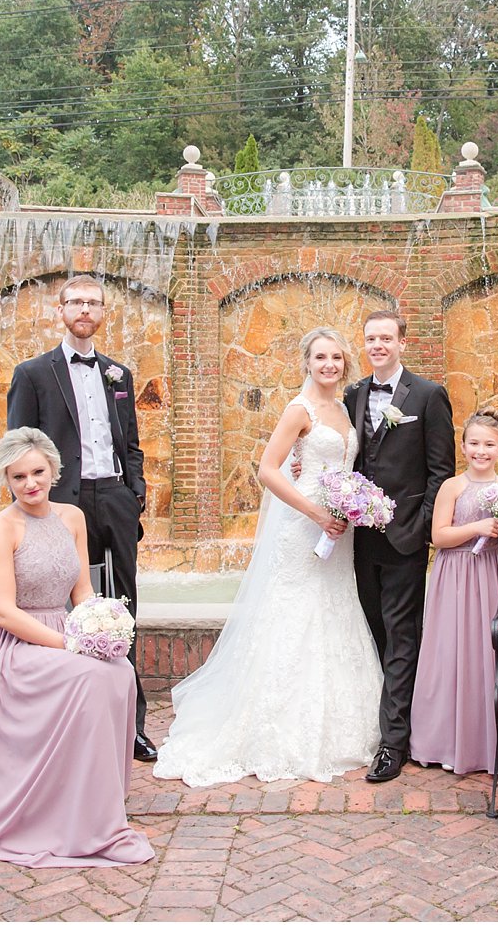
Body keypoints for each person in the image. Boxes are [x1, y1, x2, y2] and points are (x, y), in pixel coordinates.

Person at [153, 328, 382, 787]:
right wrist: (317, 512)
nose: (329, 365)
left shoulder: (344, 407)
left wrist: (352, 505)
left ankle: (342, 724)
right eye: (320, 357)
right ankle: (276, 726)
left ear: (346, 365)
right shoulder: (299, 410)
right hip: (304, 525)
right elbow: (266, 469)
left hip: (341, 530)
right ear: (307, 362)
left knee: (334, 609)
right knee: (293, 613)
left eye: (336, 358)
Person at [0, 428, 154, 867]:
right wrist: (71, 644)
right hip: (12, 645)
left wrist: (101, 626)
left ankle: (93, 802)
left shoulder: (72, 517)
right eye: (18, 476)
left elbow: (81, 590)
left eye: (37, 472)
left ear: (53, 470)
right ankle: (69, 814)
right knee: (91, 677)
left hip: (65, 630)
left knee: (117, 672)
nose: (30, 484)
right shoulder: (2, 528)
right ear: (7, 479)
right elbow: (2, 611)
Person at [4, 274, 155, 761]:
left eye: (93, 302)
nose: (84, 309)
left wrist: (136, 494)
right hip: (61, 504)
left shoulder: (119, 374)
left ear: (103, 311)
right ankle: (72, 719)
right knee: (70, 601)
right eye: (76, 302)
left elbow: (130, 442)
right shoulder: (32, 373)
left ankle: (131, 723)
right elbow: (18, 447)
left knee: (123, 603)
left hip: (114, 497)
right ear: (61, 309)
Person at [345, 310, 456, 783]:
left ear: (402, 342)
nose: (378, 346)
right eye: (371, 339)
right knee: (375, 634)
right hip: (358, 540)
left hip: (405, 537)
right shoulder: (352, 395)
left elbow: (440, 471)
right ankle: (389, 722)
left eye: (386, 338)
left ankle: (395, 744)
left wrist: (423, 528)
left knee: (402, 637)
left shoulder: (428, 395)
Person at [409, 408, 498, 775]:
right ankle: (441, 741)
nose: (481, 451)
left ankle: (484, 744)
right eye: (474, 443)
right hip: (453, 576)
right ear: (463, 445)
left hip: (487, 575)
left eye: (489, 444)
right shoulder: (452, 486)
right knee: (449, 653)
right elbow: (439, 536)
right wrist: (479, 526)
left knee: (485, 655)